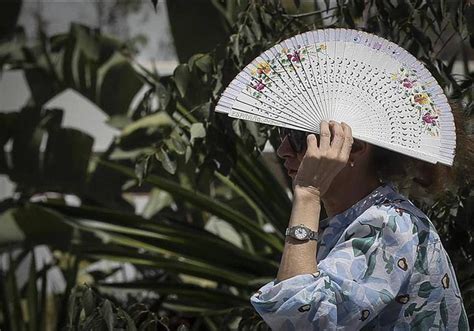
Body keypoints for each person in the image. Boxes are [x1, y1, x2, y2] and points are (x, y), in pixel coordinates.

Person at [250, 120, 469, 330]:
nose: (282, 149)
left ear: (355, 147)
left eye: (300, 137)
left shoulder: (388, 224)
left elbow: (302, 319)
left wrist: (308, 193)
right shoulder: (359, 222)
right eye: (282, 133)